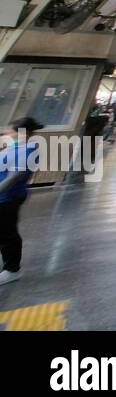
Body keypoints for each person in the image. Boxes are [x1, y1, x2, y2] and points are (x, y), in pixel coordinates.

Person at [0, 117, 44, 286]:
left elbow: (15, 177)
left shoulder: (29, 150)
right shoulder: (15, 146)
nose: (7, 133)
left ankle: (13, 270)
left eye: (11, 131)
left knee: (7, 233)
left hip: (7, 198)